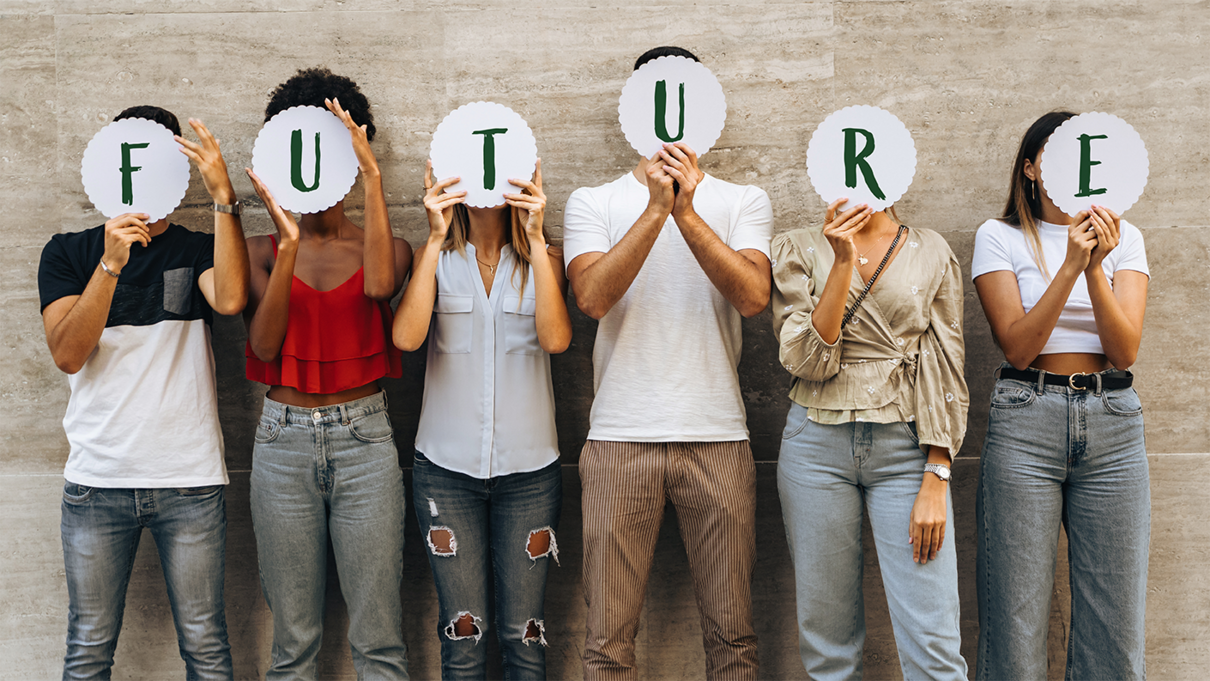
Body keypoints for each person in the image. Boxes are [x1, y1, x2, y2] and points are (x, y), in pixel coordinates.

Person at [563, 46, 773, 681]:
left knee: (734, 636)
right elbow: (593, 298)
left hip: (719, 438)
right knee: (606, 642)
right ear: (634, 109)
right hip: (620, 437)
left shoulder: (743, 201)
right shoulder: (591, 201)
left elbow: (753, 296)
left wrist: (686, 209)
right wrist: (657, 208)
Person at [38, 105, 249, 680]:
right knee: (88, 649)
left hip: (189, 480)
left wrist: (224, 199)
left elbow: (230, 301)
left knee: (206, 647)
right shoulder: (67, 252)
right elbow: (67, 354)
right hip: (97, 483)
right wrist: (109, 265)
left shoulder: (197, 248)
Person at [243, 68, 413, 680]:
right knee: (293, 646)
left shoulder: (388, 246)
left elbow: (379, 286)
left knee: (379, 641)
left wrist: (371, 174)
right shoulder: (261, 249)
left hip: (365, 439)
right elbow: (263, 349)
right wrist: (287, 245)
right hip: (281, 440)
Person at [972, 111, 1150, 681]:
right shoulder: (998, 237)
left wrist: (1096, 266)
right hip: (1027, 416)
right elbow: (1018, 348)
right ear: (1030, 168)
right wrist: (1070, 262)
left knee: (1114, 626)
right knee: (1015, 620)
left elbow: (1124, 351)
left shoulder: (1129, 239)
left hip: (1113, 420)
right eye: (1057, 150)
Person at [771, 192, 969, 679]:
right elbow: (805, 361)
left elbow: (947, 366)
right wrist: (840, 262)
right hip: (814, 444)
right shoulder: (796, 247)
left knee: (934, 643)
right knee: (828, 644)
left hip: (906, 445)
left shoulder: (930, 249)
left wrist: (937, 474)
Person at [393, 157, 570, 680]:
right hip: (445, 475)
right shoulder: (436, 260)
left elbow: (557, 340)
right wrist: (434, 236)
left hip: (531, 474)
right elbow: (406, 338)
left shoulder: (542, 258)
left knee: (526, 637)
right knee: (463, 637)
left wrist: (536, 240)